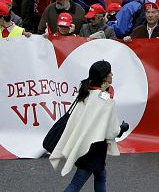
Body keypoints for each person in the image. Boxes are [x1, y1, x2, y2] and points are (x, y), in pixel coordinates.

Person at [49, 60, 129, 191]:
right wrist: (122, 128)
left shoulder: (85, 93)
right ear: (104, 76)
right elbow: (112, 131)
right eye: (110, 72)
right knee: (77, 183)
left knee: (100, 175)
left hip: (84, 144)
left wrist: (106, 88)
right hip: (95, 148)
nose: (112, 74)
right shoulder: (106, 99)